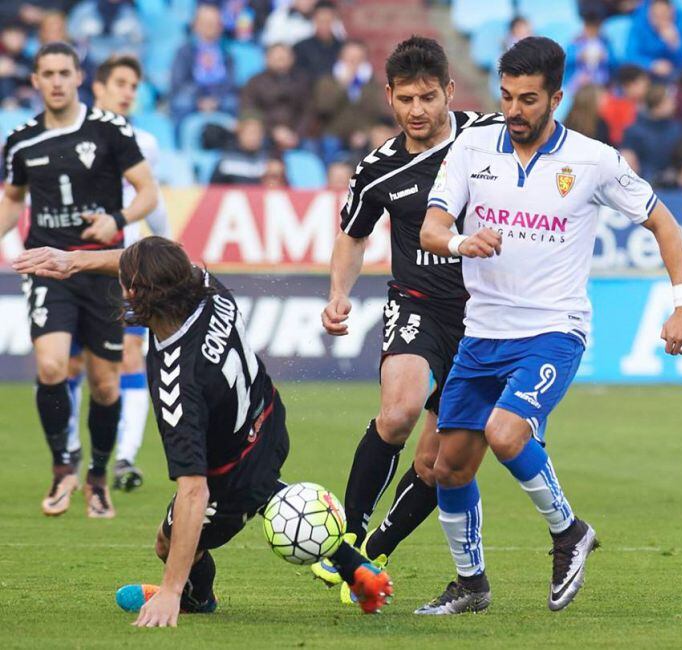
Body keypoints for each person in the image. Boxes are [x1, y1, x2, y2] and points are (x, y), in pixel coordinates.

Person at [418, 36, 682, 615]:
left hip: (552, 328)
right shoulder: (472, 147)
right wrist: (459, 240)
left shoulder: (593, 161)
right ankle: (472, 585)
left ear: (556, 97)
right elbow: (431, 227)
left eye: (527, 99)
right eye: (505, 97)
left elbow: (663, 223)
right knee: (449, 465)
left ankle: (569, 532)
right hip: (482, 331)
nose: (514, 111)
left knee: (505, 433)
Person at [11, 237, 393, 627]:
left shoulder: (178, 383)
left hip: (229, 472)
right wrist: (75, 261)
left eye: (127, 283)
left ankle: (197, 598)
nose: (121, 286)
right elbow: (152, 263)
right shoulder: (206, 287)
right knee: (258, 486)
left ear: (141, 295)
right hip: (269, 421)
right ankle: (351, 564)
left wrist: (170, 591)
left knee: (168, 541)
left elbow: (195, 490)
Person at [312, 36, 503, 605]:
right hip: (419, 304)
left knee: (436, 459)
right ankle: (345, 537)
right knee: (396, 413)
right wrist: (338, 294)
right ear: (389, 97)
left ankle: (375, 550)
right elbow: (352, 235)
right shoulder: (378, 169)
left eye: (427, 97)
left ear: (448, 91)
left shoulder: (486, 136)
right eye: (405, 99)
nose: (417, 110)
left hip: (490, 318)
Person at [0, 42, 158, 517]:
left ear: (77, 76)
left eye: (63, 72)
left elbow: (148, 191)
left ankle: (98, 477)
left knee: (105, 384)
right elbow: (12, 198)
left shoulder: (109, 130)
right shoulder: (22, 140)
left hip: (103, 267)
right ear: (35, 80)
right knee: (50, 367)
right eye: (46, 73)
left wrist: (118, 218)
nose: (55, 81)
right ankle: (62, 468)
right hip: (49, 266)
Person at [65, 54, 171, 492]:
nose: (130, 92)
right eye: (122, 83)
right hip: (74, 261)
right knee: (72, 362)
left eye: (134, 85)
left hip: (126, 263)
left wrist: (169, 245)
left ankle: (125, 457)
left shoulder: (145, 142)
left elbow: (154, 198)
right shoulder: (74, 135)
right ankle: (70, 451)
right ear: (100, 88)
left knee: (130, 355)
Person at [312, 40, 385, 163]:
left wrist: (364, 132)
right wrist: (343, 86)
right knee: (330, 144)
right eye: (350, 58)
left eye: (358, 59)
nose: (353, 64)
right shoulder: (327, 81)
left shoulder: (371, 83)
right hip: (334, 133)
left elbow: (376, 111)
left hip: (362, 134)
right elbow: (324, 108)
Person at [169, 4, 238, 127]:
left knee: (232, 103)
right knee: (181, 102)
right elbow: (178, 81)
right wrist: (199, 100)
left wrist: (216, 100)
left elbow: (230, 82)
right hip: (193, 96)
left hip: (219, 98)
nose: (210, 27)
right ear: (196, 25)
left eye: (214, 24)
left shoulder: (227, 53)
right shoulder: (185, 51)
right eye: (206, 23)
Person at [239, 44, 310, 152]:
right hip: (265, 134)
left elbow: (308, 110)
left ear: (292, 59)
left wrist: (296, 134)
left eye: (283, 58)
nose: (280, 61)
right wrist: (273, 131)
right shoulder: (255, 82)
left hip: (296, 135)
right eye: (277, 58)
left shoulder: (301, 81)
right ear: (266, 59)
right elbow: (249, 111)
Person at [622, 83, 682, 185]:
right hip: (642, 184)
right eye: (669, 101)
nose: (674, 104)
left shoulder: (678, 129)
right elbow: (628, 161)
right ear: (657, 106)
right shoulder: (634, 131)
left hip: (673, 184)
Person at [626, 0, 682, 80]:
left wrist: (674, 44)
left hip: (672, 75)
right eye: (655, 15)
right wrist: (652, 65)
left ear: (672, 13)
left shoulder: (679, 23)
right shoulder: (639, 23)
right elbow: (630, 56)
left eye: (663, 14)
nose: (659, 19)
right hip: (647, 75)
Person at [210, 115, 274, 185]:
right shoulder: (227, 160)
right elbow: (214, 189)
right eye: (249, 133)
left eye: (257, 134)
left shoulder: (269, 158)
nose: (253, 138)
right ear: (240, 135)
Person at [564, 10, 616, 94]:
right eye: (589, 28)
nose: (592, 31)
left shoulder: (605, 42)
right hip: (579, 84)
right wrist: (578, 56)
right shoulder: (575, 42)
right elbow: (564, 61)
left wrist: (605, 57)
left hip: (601, 83)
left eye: (595, 28)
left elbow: (615, 63)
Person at [293, 0, 344, 81]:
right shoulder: (300, 48)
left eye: (328, 21)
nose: (324, 25)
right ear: (314, 20)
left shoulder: (343, 47)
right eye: (321, 21)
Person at [599, 64, 649, 146]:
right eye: (643, 85)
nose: (646, 89)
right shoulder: (613, 105)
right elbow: (616, 136)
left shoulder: (642, 104)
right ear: (630, 85)